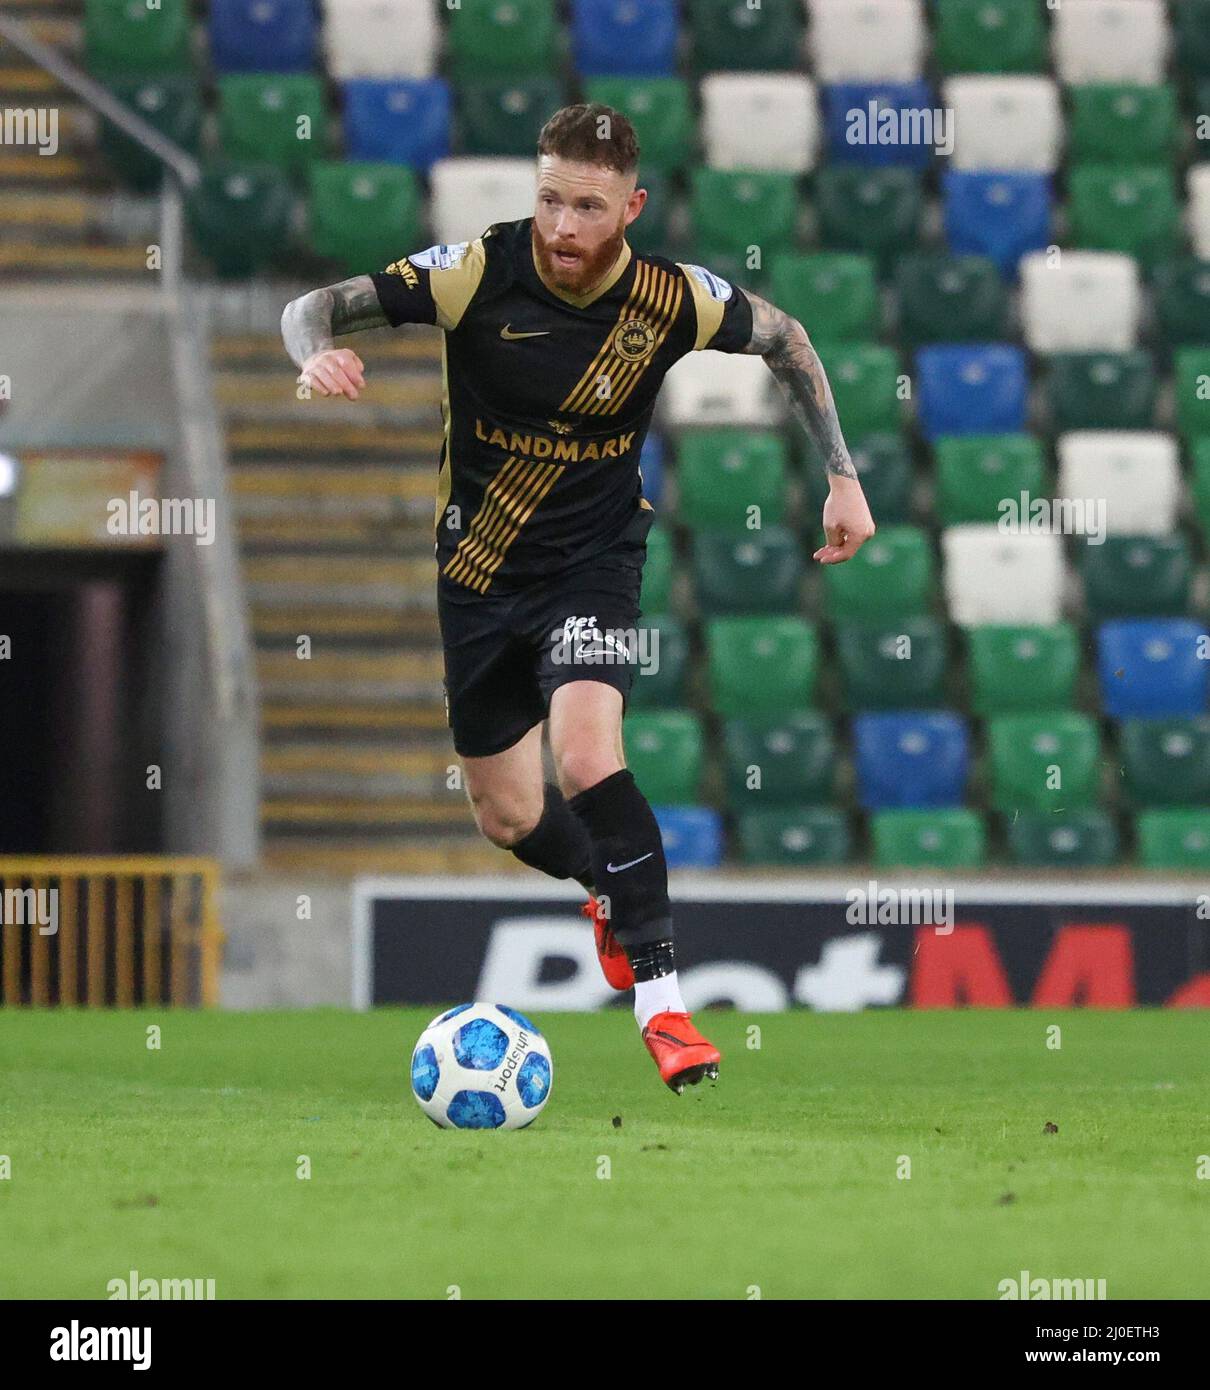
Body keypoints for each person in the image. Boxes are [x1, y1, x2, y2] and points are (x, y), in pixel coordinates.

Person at [281, 103, 875, 1093]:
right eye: (550, 198)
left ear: (630, 206)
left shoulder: (669, 299)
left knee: (588, 752)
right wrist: (311, 352)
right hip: (475, 573)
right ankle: (605, 882)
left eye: (587, 207)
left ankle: (664, 1008)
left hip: (594, 561)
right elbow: (315, 307)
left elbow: (788, 339)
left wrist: (843, 475)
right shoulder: (475, 271)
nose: (561, 226)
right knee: (508, 816)